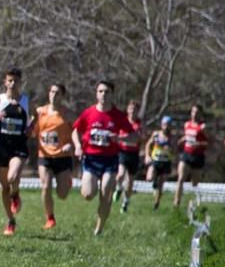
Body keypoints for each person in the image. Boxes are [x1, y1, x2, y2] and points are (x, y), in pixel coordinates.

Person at [72, 80, 136, 235]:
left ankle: (99, 228)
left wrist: (119, 139)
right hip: (91, 159)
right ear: (96, 93)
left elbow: (134, 137)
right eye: (100, 91)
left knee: (106, 192)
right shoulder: (89, 113)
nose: (103, 94)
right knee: (87, 194)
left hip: (110, 160)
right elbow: (75, 130)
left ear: (112, 94)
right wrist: (78, 146)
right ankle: (91, 191)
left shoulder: (118, 116)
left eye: (107, 92)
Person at [0, 68, 30, 236]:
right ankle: (10, 220)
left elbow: (30, 123)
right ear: (5, 82)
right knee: (4, 187)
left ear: (20, 82)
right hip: (2, 147)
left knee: (12, 177)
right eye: (10, 80)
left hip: (19, 147)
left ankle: (16, 194)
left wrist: (31, 128)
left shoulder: (25, 101)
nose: (13, 84)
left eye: (16, 81)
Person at [30, 83, 76, 230]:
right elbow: (32, 132)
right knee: (46, 185)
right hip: (45, 156)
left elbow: (79, 133)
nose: (53, 95)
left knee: (62, 195)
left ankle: (67, 181)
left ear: (62, 96)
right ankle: (49, 218)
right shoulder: (40, 112)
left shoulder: (68, 115)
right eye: (51, 91)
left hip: (63, 156)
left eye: (57, 92)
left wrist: (73, 145)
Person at [174, 105, 208, 208]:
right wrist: (182, 140)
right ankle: (176, 203)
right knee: (180, 178)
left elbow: (209, 142)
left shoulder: (203, 127)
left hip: (197, 156)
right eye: (193, 111)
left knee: (195, 183)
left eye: (197, 112)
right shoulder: (187, 124)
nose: (194, 114)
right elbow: (188, 136)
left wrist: (199, 144)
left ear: (200, 114)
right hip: (186, 154)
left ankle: (195, 204)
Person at [113, 100, 142, 213]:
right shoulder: (123, 121)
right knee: (120, 174)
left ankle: (125, 202)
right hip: (123, 151)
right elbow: (117, 135)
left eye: (135, 109)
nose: (132, 111)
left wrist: (134, 137)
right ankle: (118, 188)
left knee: (130, 181)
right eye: (130, 109)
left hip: (134, 154)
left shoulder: (139, 123)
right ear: (127, 109)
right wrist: (126, 137)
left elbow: (141, 137)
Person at [143, 116, 175, 210]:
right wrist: (147, 156)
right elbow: (148, 144)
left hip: (166, 162)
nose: (166, 127)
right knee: (149, 178)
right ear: (161, 125)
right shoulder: (156, 134)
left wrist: (170, 149)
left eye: (168, 125)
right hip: (155, 160)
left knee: (161, 184)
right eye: (164, 124)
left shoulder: (172, 137)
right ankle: (154, 181)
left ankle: (156, 203)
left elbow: (175, 150)